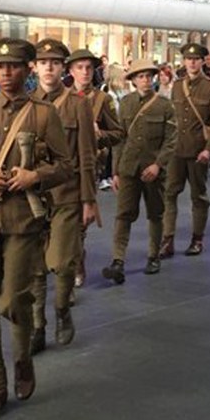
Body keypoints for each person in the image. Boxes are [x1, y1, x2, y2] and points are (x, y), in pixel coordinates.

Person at [0, 38, 70, 418]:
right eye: (0, 66)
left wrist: (33, 176)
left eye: (14, 66)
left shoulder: (43, 115)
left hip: (24, 219)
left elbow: (64, 166)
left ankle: (22, 356)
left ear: (27, 70)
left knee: (14, 300)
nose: (7, 73)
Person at [28, 40, 98, 353]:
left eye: (55, 62)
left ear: (62, 68)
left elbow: (86, 154)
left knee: (64, 260)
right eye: (44, 62)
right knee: (35, 265)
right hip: (33, 196)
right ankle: (37, 325)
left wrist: (88, 199)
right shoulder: (27, 103)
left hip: (67, 193)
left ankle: (61, 310)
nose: (49, 67)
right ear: (35, 66)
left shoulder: (77, 103)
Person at [104, 59, 176, 282]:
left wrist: (158, 164)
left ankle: (154, 255)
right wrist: (115, 171)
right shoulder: (126, 104)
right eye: (140, 76)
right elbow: (119, 140)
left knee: (155, 213)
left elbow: (171, 140)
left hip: (153, 169)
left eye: (148, 76)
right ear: (133, 80)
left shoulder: (164, 105)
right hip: (128, 168)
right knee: (123, 214)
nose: (145, 80)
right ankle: (118, 260)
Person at [159, 42, 210, 257]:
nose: (192, 62)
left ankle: (197, 239)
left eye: (196, 59)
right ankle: (167, 239)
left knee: (199, 197)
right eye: (189, 59)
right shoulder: (177, 86)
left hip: (198, 150)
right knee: (169, 194)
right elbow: (170, 118)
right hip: (176, 150)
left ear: (203, 62)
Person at [67, 47, 124, 287]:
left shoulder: (103, 100)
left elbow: (118, 134)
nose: (85, 72)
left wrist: (98, 135)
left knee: (80, 221)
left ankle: (77, 263)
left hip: (88, 166)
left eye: (89, 68)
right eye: (79, 68)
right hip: (62, 164)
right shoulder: (60, 97)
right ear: (71, 71)